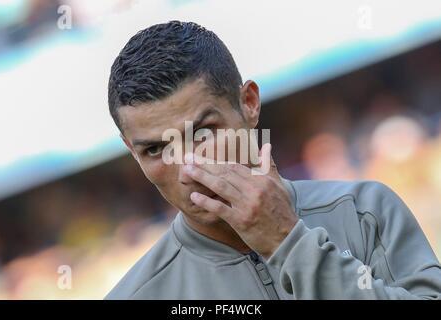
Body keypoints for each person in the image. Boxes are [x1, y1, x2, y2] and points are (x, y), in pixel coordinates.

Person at [105, 20, 441, 299]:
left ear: (249, 103)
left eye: (203, 133)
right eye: (155, 149)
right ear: (131, 151)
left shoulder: (364, 212)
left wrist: (290, 244)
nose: (188, 169)